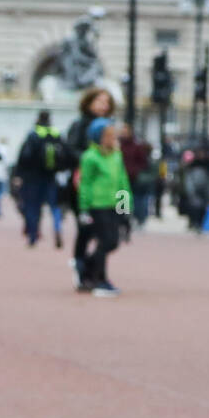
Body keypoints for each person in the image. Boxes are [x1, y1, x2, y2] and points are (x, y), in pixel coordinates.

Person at [66, 85, 116, 283]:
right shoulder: (80, 125)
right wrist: (91, 159)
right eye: (99, 101)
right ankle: (81, 265)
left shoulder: (109, 125)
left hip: (104, 189)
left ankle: (90, 267)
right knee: (86, 229)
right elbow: (69, 150)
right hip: (83, 184)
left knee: (105, 234)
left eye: (106, 102)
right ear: (89, 102)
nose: (103, 106)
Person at [76, 117, 132, 296]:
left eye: (112, 134)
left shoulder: (117, 155)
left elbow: (123, 182)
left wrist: (124, 207)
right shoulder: (90, 157)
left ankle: (87, 269)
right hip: (97, 205)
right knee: (105, 241)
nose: (112, 137)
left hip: (114, 204)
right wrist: (84, 209)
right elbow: (85, 184)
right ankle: (100, 280)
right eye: (107, 134)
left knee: (113, 242)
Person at [14, 110, 69, 247]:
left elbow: (24, 156)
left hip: (33, 177)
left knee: (33, 207)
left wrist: (19, 174)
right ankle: (57, 228)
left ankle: (33, 236)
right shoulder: (56, 134)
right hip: (51, 177)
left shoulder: (33, 134)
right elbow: (66, 154)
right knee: (54, 206)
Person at [118, 123, 152, 233]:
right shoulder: (117, 146)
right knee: (123, 199)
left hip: (134, 178)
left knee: (138, 200)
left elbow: (143, 162)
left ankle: (139, 219)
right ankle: (122, 220)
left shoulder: (136, 146)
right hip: (121, 177)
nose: (124, 134)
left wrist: (135, 171)